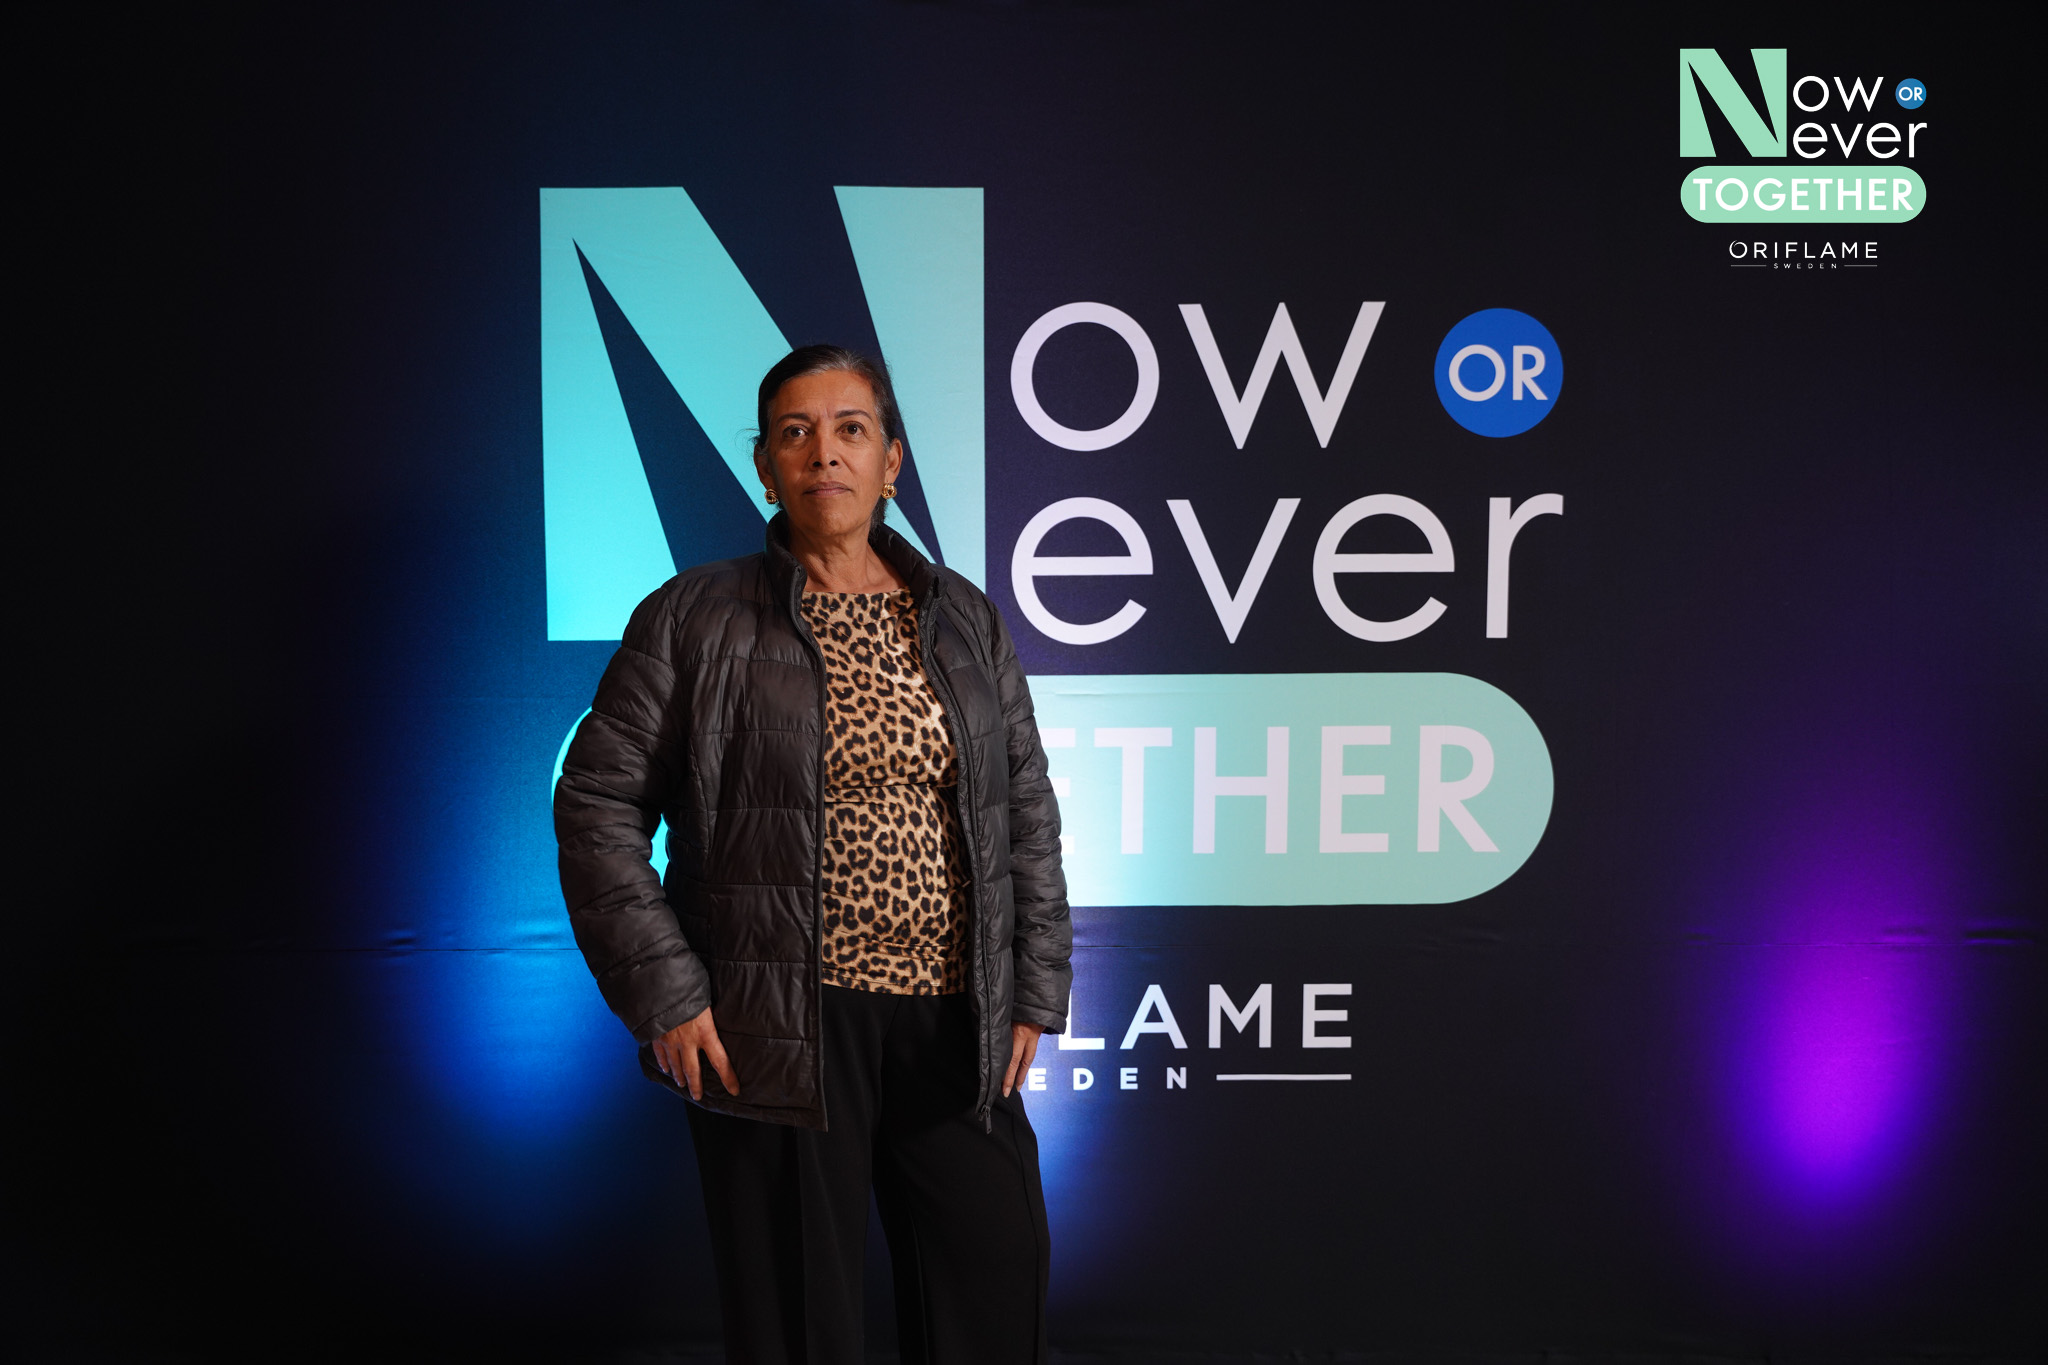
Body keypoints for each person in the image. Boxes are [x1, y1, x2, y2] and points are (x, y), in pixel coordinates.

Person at [555, 344, 1071, 1364]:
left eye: (849, 430)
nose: (822, 453)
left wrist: (1033, 985)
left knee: (992, 1278)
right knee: (800, 1324)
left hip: (952, 1014)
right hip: (778, 1023)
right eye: (794, 433)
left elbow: (1023, 805)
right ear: (765, 466)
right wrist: (666, 996)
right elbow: (596, 801)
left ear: (891, 462)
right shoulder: (692, 617)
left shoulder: (963, 618)